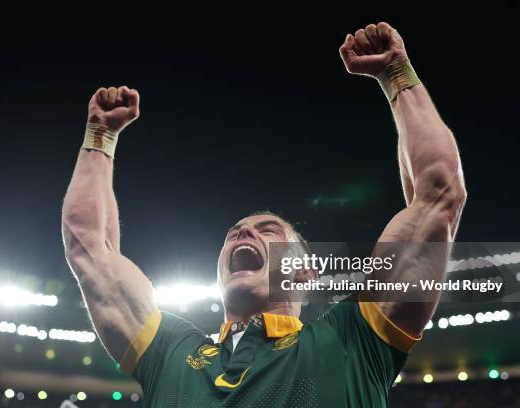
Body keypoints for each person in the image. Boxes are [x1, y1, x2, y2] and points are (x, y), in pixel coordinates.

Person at [61, 22, 466, 407]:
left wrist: (397, 75)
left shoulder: (353, 339)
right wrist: (99, 136)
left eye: (267, 230)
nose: (242, 235)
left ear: (306, 270)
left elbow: (439, 193)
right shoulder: (169, 351)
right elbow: (88, 249)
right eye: (233, 233)